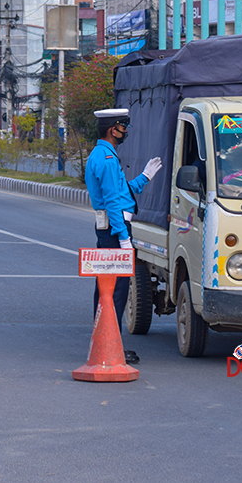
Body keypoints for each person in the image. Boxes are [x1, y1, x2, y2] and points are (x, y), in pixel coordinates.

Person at [84, 108, 161, 365]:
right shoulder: (106, 159)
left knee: (107, 288)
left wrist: (145, 177)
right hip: (115, 232)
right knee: (116, 289)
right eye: (122, 126)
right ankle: (110, 345)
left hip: (111, 231)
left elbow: (122, 192)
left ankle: (104, 341)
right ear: (111, 129)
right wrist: (124, 239)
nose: (125, 131)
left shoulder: (105, 155)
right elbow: (113, 202)